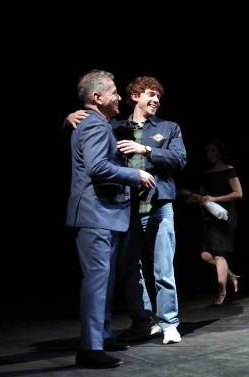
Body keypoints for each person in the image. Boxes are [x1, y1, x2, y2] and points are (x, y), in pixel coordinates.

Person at [66, 76, 187, 344]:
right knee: (129, 270)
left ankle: (169, 323)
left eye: (158, 96)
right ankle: (143, 322)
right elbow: (88, 135)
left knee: (163, 269)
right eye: (150, 94)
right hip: (126, 209)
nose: (156, 100)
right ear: (135, 96)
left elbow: (180, 159)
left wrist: (145, 150)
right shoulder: (116, 126)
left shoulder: (168, 128)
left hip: (158, 206)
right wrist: (68, 118)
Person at [66, 70, 155, 368]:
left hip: (105, 215)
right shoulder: (92, 125)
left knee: (104, 281)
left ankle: (102, 336)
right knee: (96, 281)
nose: (118, 97)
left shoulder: (96, 123)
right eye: (114, 92)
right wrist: (136, 175)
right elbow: (97, 167)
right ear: (97, 97)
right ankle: (90, 348)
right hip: (95, 215)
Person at [182, 139, 242, 305]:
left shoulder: (229, 170)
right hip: (210, 217)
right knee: (205, 255)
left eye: (213, 151)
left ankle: (222, 292)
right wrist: (195, 200)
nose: (210, 154)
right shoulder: (206, 173)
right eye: (208, 151)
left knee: (219, 254)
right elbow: (203, 196)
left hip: (225, 216)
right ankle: (231, 276)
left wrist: (216, 198)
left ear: (220, 153)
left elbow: (238, 193)